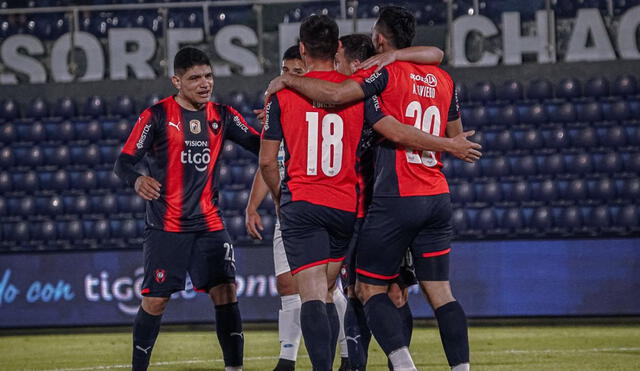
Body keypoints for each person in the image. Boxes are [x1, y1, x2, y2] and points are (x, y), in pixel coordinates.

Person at [261, 14, 480, 371]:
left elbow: (333, 104)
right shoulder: (441, 80)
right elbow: (435, 70)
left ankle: (391, 363)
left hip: (385, 196)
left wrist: (287, 80)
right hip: (422, 195)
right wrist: (448, 145)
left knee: (352, 291)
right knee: (431, 291)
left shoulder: (377, 78)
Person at [114, 47, 261, 371]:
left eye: (208, 76)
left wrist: (277, 126)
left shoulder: (222, 116)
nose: (204, 83)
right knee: (155, 300)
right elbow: (123, 162)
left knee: (226, 292)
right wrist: (137, 181)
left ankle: (234, 368)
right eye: (195, 78)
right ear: (176, 81)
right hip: (167, 226)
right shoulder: (155, 116)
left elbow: (258, 144)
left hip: (209, 224)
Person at [245, 45, 352, 371]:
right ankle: (287, 358)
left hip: (310, 204)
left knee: (326, 288)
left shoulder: (315, 107)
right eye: (285, 71)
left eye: (297, 72)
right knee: (287, 284)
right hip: (289, 204)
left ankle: (348, 353)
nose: (289, 78)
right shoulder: (280, 104)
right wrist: (253, 206)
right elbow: (269, 163)